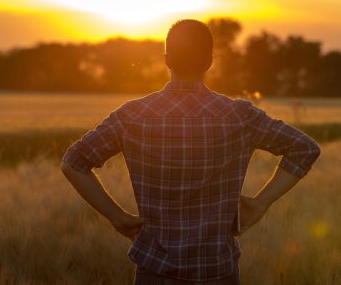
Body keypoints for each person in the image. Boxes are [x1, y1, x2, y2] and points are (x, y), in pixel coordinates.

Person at [61, 19, 321, 284]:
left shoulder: (132, 116)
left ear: (166, 60)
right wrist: (260, 202)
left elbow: (73, 162)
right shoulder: (240, 116)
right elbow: (305, 148)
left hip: (155, 271)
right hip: (218, 271)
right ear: (209, 61)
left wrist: (117, 217)